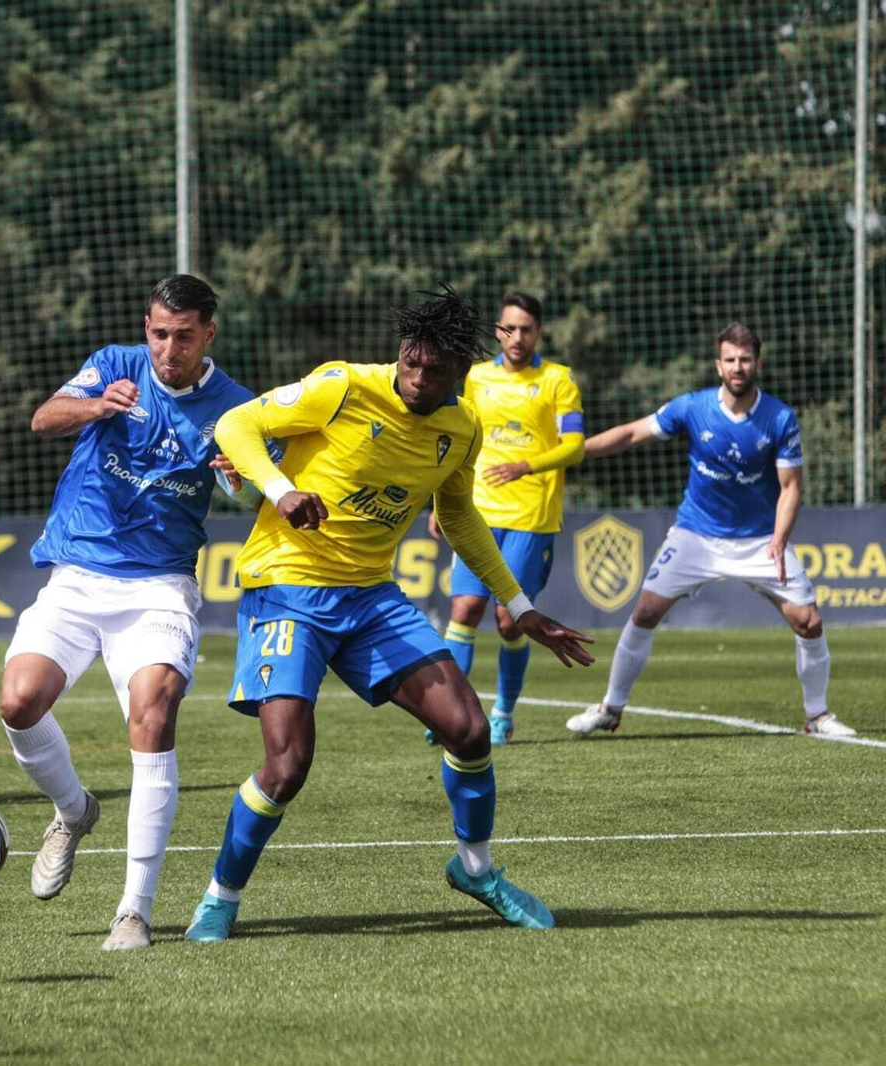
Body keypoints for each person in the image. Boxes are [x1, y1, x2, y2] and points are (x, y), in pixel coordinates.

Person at [184, 285, 596, 944]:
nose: (417, 378)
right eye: (411, 362)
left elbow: (459, 515)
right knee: (287, 766)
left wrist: (518, 604)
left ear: (461, 373)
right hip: (287, 587)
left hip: (371, 597)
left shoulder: (461, 428)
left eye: (434, 370)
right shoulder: (343, 387)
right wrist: (283, 490)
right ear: (399, 353)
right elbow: (236, 426)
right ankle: (220, 898)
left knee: (468, 729)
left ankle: (476, 870)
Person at [0, 274, 257, 952]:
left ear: (209, 335)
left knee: (155, 708)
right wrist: (94, 408)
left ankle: (133, 912)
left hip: (159, 586)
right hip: (77, 575)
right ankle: (74, 810)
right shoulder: (115, 365)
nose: (167, 349)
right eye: (158, 334)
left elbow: (256, 494)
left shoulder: (236, 407)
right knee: (18, 702)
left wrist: (240, 479)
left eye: (183, 336)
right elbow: (42, 417)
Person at [565, 322, 855, 739]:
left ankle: (818, 716)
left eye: (746, 359)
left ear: (758, 363)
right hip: (695, 536)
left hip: (759, 540)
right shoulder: (692, 407)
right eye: (731, 360)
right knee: (645, 613)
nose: (738, 367)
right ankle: (610, 708)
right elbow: (631, 433)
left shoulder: (779, 417)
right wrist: (573, 452)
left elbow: (791, 487)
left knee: (808, 622)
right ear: (718, 365)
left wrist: (778, 539)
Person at [424, 293, 585, 746]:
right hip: (476, 510)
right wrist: (441, 500)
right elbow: (456, 438)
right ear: (498, 330)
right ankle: (450, 714)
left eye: (526, 329)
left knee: (510, 619)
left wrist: (526, 466)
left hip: (531, 516)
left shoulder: (558, 380)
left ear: (539, 333)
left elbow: (575, 445)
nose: (517, 337)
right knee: (464, 609)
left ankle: (503, 713)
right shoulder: (476, 376)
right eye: (509, 328)